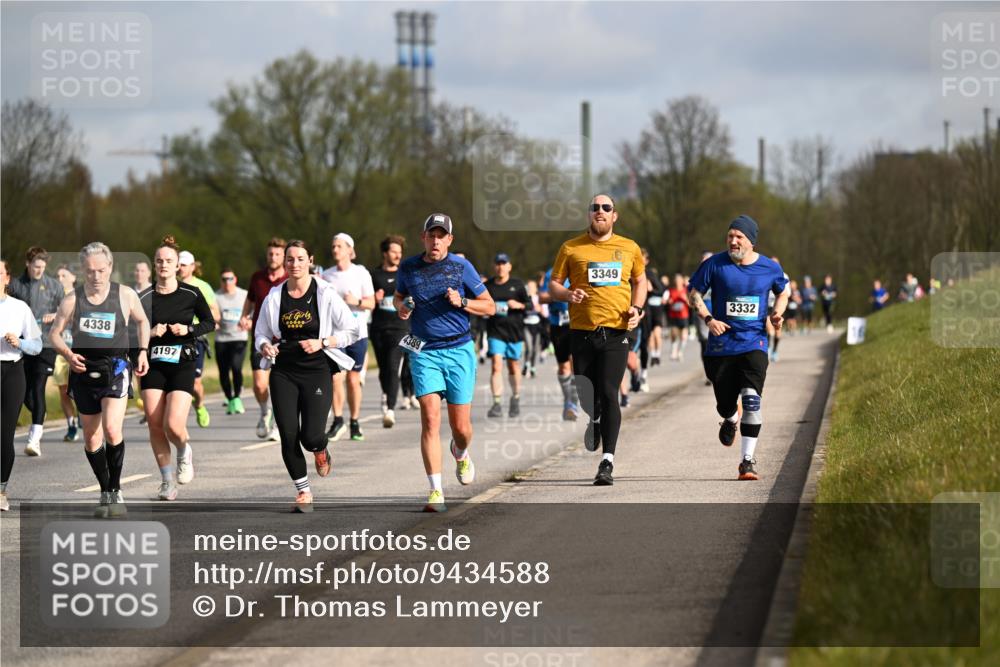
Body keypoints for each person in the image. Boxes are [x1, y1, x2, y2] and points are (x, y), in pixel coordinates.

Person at [394, 214, 495, 512]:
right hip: (423, 349)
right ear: (423, 237)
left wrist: (462, 302)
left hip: (459, 349)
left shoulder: (461, 267)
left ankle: (460, 453)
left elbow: (489, 306)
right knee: (430, 418)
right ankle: (435, 491)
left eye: (441, 235)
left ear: (450, 239)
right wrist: (402, 308)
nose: (435, 240)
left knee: (460, 428)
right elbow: (397, 297)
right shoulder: (409, 267)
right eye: (431, 234)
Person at [548, 194, 646, 487]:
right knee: (588, 396)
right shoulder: (571, 248)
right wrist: (567, 294)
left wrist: (637, 309)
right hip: (581, 333)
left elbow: (640, 281)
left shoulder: (629, 248)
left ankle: (607, 461)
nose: (600, 212)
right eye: (595, 208)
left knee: (608, 391)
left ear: (614, 216)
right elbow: (553, 284)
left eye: (606, 208)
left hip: (616, 332)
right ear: (588, 214)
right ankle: (595, 419)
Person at [255, 240, 360, 512]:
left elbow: (352, 330)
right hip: (284, 369)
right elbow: (261, 333)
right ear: (284, 263)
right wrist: (265, 345)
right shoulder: (275, 295)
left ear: (310, 260)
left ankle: (321, 449)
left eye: (300, 259)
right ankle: (303, 491)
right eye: (290, 259)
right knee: (288, 435)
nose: (295, 264)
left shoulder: (325, 293)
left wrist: (324, 342)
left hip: (316, 368)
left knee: (311, 437)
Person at [48, 242, 150, 517]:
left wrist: (142, 352)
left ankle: (115, 492)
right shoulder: (73, 299)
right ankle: (105, 490)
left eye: (101, 270)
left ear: (110, 268)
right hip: (82, 371)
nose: (95, 276)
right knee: (92, 439)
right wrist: (69, 355)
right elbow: (55, 334)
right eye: (90, 271)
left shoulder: (125, 295)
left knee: (112, 430)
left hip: (115, 368)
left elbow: (142, 321)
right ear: (83, 270)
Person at [687, 215, 789, 482]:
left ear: (751, 241)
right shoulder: (714, 264)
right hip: (721, 346)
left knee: (752, 399)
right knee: (725, 404)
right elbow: (694, 293)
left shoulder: (769, 268)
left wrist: (777, 314)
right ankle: (730, 419)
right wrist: (709, 319)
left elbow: (784, 291)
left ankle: (747, 461)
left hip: (754, 343)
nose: (733, 241)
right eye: (730, 236)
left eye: (739, 237)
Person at [139, 237, 216, 501]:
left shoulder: (190, 294)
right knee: (154, 424)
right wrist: (149, 332)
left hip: (183, 361)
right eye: (159, 260)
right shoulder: (144, 297)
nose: (163, 265)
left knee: (173, 424)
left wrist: (189, 329)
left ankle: (184, 450)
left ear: (177, 265)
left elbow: (209, 322)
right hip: (153, 364)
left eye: (168, 261)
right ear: (154, 264)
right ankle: (166, 481)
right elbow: (130, 332)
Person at [8, 247, 62, 457]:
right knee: (24, 393)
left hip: (46, 344)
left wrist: (55, 315)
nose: (39, 270)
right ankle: (41, 414)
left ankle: (34, 438)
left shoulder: (54, 286)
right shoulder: (15, 285)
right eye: (36, 266)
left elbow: (67, 312)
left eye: (42, 267)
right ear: (27, 264)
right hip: (21, 345)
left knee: (38, 386)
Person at [321, 233, 375, 441]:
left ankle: (354, 421)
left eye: (339, 246)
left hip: (357, 333)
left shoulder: (361, 273)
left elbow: (371, 303)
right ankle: (337, 420)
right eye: (333, 246)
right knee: (335, 377)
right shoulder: (326, 275)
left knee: (353, 380)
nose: (335, 250)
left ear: (349, 250)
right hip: (335, 336)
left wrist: (356, 301)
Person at [1, 259, 44, 511]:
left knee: (4, 436)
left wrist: (19, 342)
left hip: (12, 372)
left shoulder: (20, 308)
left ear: (7, 278)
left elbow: (37, 345)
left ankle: (1, 491)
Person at [240, 237, 287, 442]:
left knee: (279, 385)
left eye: (277, 254)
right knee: (260, 385)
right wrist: (245, 316)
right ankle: (264, 411)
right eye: (270, 253)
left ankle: (278, 424)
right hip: (261, 338)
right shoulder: (257, 277)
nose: (273, 257)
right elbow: (250, 301)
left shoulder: (289, 278)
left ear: (284, 256)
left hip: (284, 338)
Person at [369, 235, 410, 428]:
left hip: (400, 328)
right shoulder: (373, 275)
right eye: (394, 251)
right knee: (383, 369)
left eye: (400, 252)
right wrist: (373, 299)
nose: (397, 255)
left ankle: (391, 410)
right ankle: (386, 395)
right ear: (385, 253)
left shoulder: (405, 275)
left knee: (394, 367)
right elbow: (367, 301)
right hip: (378, 329)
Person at [177, 251, 220, 428]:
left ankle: (200, 405)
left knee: (195, 383)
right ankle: (178, 417)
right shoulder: (169, 285)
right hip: (173, 340)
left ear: (193, 267)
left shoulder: (202, 287)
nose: (180, 268)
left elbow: (216, 314)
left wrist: (197, 321)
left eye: (184, 265)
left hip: (195, 339)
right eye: (178, 264)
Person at [484, 253, 529, 418]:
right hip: (495, 331)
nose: (500, 266)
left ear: (509, 266)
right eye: (498, 263)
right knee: (496, 364)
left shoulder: (517, 285)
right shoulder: (488, 286)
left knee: (513, 366)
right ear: (494, 266)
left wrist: (519, 305)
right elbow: (482, 304)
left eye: (504, 263)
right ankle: (496, 403)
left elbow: (530, 305)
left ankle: (515, 397)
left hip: (515, 332)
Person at [539, 268, 581, 421]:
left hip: (579, 324)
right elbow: (541, 297)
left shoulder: (583, 268)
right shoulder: (552, 274)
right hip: (559, 325)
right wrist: (561, 294)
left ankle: (573, 403)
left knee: (577, 365)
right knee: (564, 367)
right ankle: (568, 399)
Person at [215, 267, 249, 414]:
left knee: (236, 367)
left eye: (230, 279)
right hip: (221, 339)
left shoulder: (244, 295)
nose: (227, 282)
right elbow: (211, 312)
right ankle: (229, 399)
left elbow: (254, 310)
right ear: (221, 281)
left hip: (239, 337)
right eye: (224, 279)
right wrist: (213, 322)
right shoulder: (216, 296)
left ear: (235, 279)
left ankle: (237, 397)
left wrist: (249, 320)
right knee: (223, 372)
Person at [53, 264, 81, 441]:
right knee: (63, 390)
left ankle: (84, 416)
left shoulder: (81, 296)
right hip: (61, 350)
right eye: (58, 276)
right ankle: (71, 425)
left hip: (78, 349)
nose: (60, 279)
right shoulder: (54, 298)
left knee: (80, 390)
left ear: (73, 277)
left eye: (64, 275)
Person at [130, 260, 153, 418]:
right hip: (133, 340)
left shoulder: (154, 291)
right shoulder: (129, 292)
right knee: (139, 376)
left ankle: (152, 406)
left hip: (153, 340)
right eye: (137, 270)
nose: (139, 274)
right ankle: (148, 407)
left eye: (143, 270)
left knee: (150, 376)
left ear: (149, 273)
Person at [693, 251, 714, 385]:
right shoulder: (697, 276)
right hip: (702, 315)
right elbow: (690, 296)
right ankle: (709, 374)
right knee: (705, 344)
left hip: (719, 313)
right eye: (703, 260)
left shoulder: (722, 273)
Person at [642, 250, 665, 368]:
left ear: (647, 261)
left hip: (656, 310)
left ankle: (657, 355)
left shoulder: (649, 273)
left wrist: (651, 290)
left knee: (656, 333)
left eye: (643, 258)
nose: (640, 260)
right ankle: (653, 355)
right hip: (645, 309)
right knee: (649, 335)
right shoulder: (630, 271)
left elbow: (661, 290)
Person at [766, 257, 790, 362]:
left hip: (778, 306)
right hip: (767, 306)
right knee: (769, 329)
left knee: (777, 331)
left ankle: (775, 350)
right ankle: (768, 349)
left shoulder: (784, 276)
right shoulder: (764, 274)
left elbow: (787, 293)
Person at [521, 280, 544, 379]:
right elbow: (522, 310)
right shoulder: (525, 299)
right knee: (529, 348)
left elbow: (544, 313)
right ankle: (526, 364)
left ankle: (533, 367)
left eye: (532, 287)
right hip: (526, 324)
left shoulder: (539, 298)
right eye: (528, 286)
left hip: (537, 325)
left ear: (536, 288)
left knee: (535, 349)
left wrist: (540, 309)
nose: (530, 288)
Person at [667, 273, 689, 361]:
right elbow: (667, 301)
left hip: (683, 315)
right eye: (676, 281)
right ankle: (673, 351)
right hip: (673, 315)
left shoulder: (686, 290)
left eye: (679, 281)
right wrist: (669, 301)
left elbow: (690, 304)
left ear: (682, 281)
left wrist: (684, 299)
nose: (677, 282)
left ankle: (680, 352)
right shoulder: (671, 291)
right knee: (674, 334)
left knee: (683, 336)